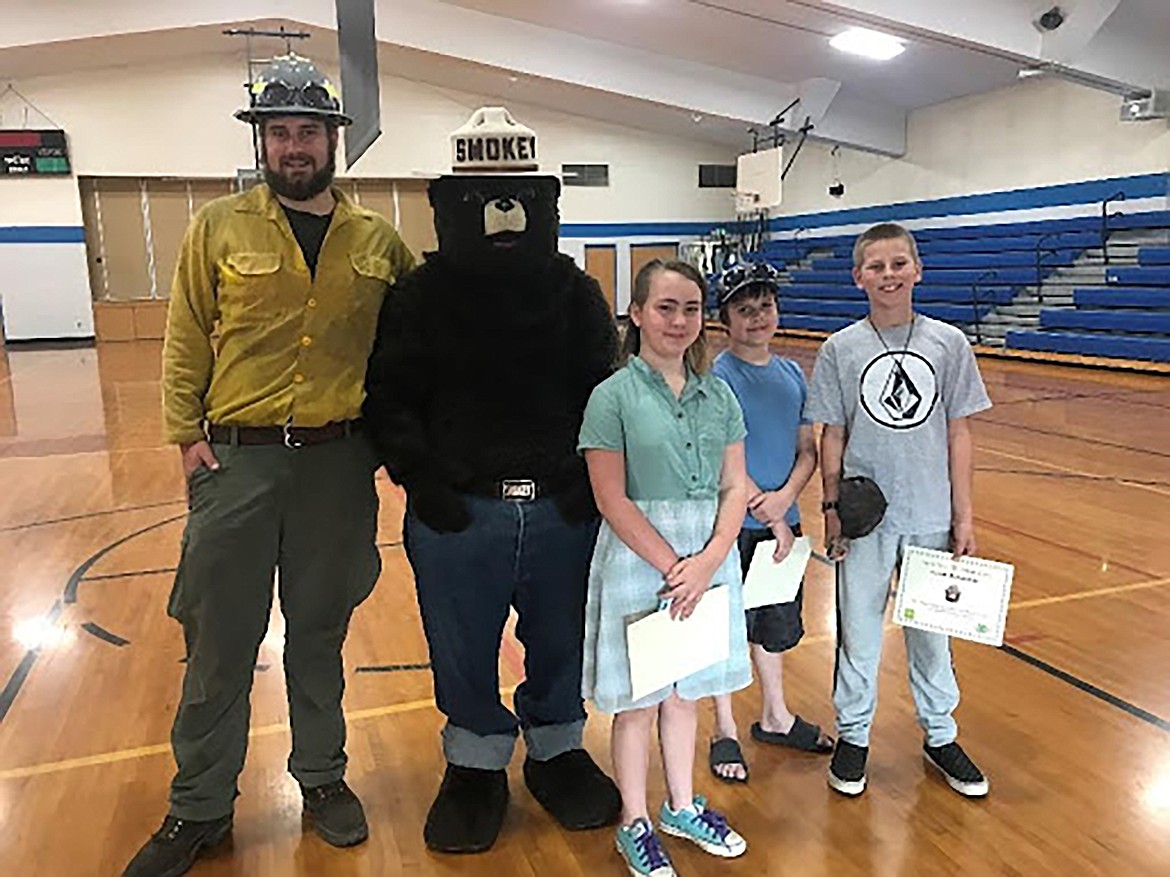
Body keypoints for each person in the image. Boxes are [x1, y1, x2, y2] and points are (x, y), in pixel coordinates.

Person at [122, 53, 415, 877]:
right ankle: (200, 806)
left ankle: (322, 779)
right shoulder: (217, 228)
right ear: (264, 141)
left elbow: (414, 348)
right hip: (237, 462)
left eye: (309, 132)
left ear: (333, 141)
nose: (294, 146)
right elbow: (185, 337)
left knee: (320, 634)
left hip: (337, 464)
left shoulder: (380, 243)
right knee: (218, 641)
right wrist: (187, 436)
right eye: (280, 131)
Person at [362, 106, 621, 854]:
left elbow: (598, 388)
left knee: (563, 636)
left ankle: (557, 748)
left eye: (519, 199)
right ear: (450, 209)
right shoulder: (422, 293)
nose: (503, 217)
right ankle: (475, 761)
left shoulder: (574, 292)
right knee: (460, 643)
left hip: (560, 506)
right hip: (459, 510)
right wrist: (421, 478)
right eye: (483, 201)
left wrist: (583, 485)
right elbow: (391, 393)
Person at [805, 222, 992, 799]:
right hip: (865, 521)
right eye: (876, 266)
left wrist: (964, 516)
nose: (888, 275)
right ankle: (854, 736)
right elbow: (831, 435)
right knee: (858, 632)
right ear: (858, 276)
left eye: (898, 264)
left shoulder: (948, 343)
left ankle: (940, 734)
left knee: (932, 636)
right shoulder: (841, 348)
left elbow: (957, 433)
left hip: (931, 514)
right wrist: (832, 508)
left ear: (917, 270)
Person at [579, 259, 751, 877]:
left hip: (708, 555)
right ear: (637, 314)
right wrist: (674, 564)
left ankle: (681, 805)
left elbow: (737, 486)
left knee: (686, 696)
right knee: (640, 701)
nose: (679, 321)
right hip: (639, 555)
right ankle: (636, 821)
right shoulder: (611, 397)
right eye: (665, 307)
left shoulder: (721, 394)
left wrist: (707, 562)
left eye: (690, 309)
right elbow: (611, 498)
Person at [706, 260, 833, 785]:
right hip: (734, 526)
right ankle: (723, 728)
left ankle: (775, 715)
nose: (758, 317)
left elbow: (808, 449)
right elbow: (721, 456)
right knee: (725, 628)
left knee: (774, 625)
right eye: (744, 309)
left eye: (765, 306)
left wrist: (785, 500)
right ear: (725, 319)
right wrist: (764, 506)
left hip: (785, 520)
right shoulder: (718, 378)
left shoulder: (790, 373)